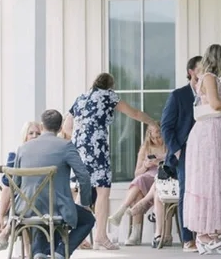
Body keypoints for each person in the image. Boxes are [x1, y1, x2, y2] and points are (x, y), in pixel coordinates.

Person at [63, 72, 157, 250]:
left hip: (78, 151)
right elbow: (134, 113)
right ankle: (101, 237)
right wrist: (152, 122)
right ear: (110, 86)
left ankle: (78, 235)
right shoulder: (108, 96)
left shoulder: (81, 97)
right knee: (103, 192)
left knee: (83, 190)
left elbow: (67, 126)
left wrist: (80, 138)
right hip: (97, 150)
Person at [11, 109, 95, 259]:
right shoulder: (66, 146)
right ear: (61, 127)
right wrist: (86, 202)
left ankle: (39, 253)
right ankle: (60, 253)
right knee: (88, 219)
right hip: (56, 208)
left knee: (44, 213)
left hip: (26, 208)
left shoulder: (23, 148)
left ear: (42, 126)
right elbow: (84, 176)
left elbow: (16, 183)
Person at [184, 44, 221, 253]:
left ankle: (211, 232)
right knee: (208, 181)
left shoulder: (210, 78)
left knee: (214, 180)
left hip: (217, 132)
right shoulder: (209, 77)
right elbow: (215, 104)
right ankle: (204, 234)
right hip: (208, 136)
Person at [161, 55, 202, 252]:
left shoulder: (208, 95)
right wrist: (177, 151)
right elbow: (166, 126)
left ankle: (204, 235)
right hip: (184, 152)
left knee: (205, 192)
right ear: (191, 72)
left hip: (205, 151)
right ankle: (188, 239)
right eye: (201, 68)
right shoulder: (178, 95)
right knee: (186, 193)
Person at [107, 124, 167, 245]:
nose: (156, 140)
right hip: (146, 179)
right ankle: (134, 234)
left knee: (139, 183)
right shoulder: (145, 148)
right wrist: (146, 165)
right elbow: (137, 173)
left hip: (160, 179)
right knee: (138, 187)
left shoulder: (168, 146)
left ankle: (123, 213)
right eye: (153, 137)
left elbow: (173, 165)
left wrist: (160, 161)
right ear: (149, 135)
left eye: (158, 136)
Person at [0, 120, 41, 252]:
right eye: (31, 133)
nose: (35, 136)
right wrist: (1, 216)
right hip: (19, 203)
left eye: (38, 133)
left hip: (37, 202)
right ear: (25, 136)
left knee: (25, 200)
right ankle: (28, 251)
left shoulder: (44, 157)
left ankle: (6, 233)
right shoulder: (16, 155)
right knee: (19, 199)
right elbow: (7, 187)